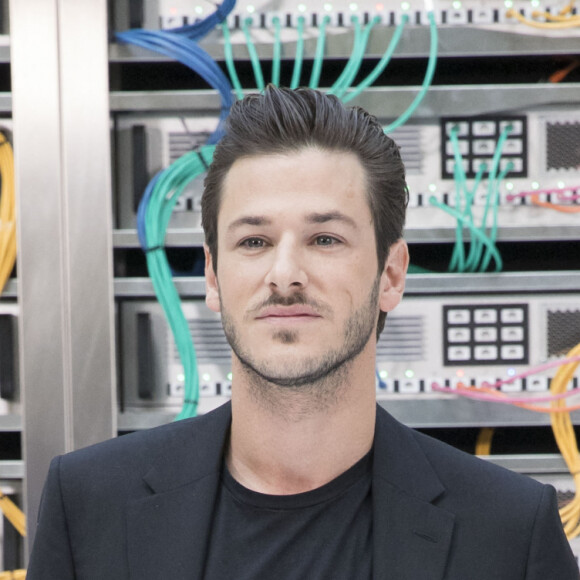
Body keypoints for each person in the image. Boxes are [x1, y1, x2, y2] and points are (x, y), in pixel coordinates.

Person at [27, 86, 578, 579]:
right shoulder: (90, 504)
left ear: (390, 275)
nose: (285, 273)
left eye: (325, 239)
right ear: (214, 277)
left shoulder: (508, 532)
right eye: (254, 241)